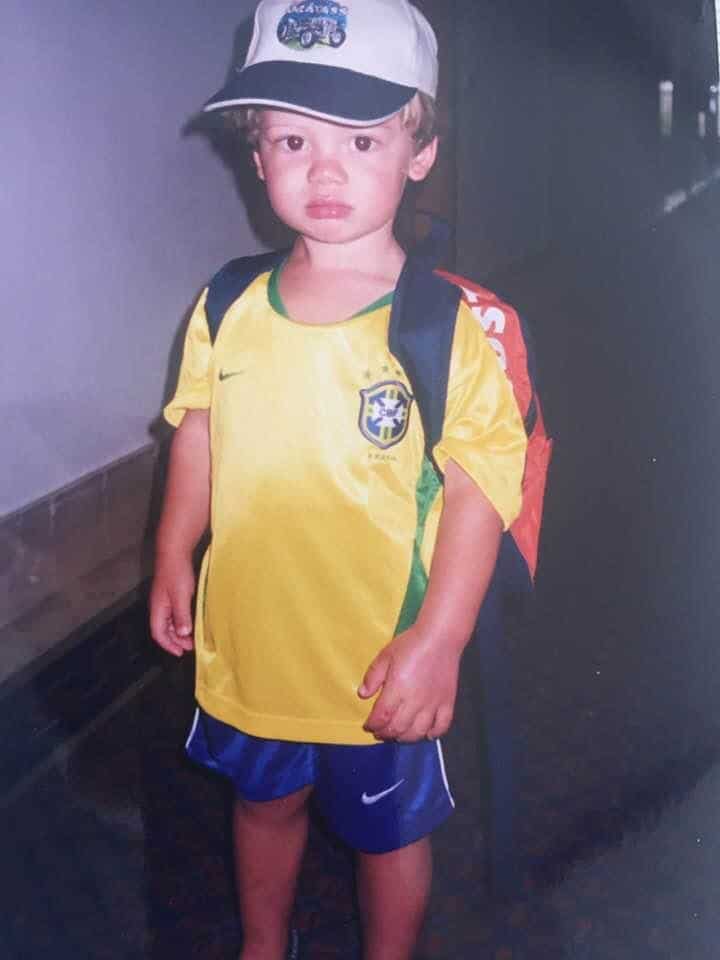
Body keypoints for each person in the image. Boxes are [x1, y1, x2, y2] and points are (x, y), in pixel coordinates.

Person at [149, 1, 528, 958]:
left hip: (378, 666)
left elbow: (484, 485)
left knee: (388, 837)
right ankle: (261, 947)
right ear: (257, 152)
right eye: (291, 136)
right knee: (261, 809)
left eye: (362, 137)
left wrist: (440, 639)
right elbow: (199, 429)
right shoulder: (227, 304)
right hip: (256, 647)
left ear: (420, 150)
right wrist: (170, 549)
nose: (324, 167)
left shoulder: (445, 328)